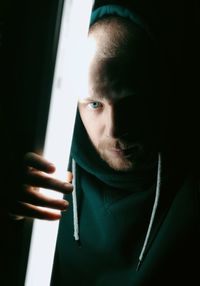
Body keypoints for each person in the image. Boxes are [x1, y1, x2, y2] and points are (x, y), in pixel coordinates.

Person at [9, 4, 200, 286]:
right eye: (95, 104)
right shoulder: (49, 168)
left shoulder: (190, 185)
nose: (115, 129)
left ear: (160, 91)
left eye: (131, 102)